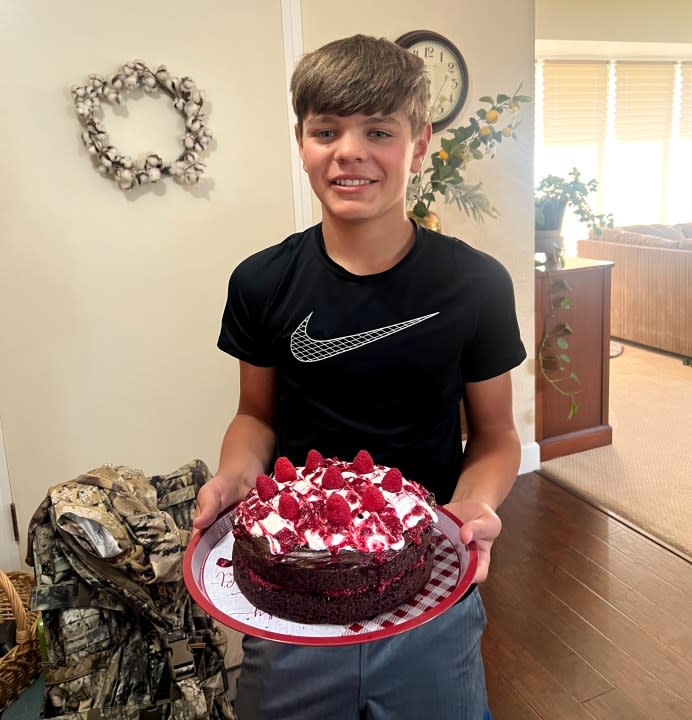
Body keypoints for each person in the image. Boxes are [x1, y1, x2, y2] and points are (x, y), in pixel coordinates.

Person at [194, 34, 526, 720]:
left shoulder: (476, 284)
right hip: (292, 605)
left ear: (420, 141)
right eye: (326, 130)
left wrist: (475, 505)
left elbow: (495, 436)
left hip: (431, 591)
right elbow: (255, 415)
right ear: (301, 141)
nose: (349, 150)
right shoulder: (260, 281)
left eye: (379, 130)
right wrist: (231, 478)